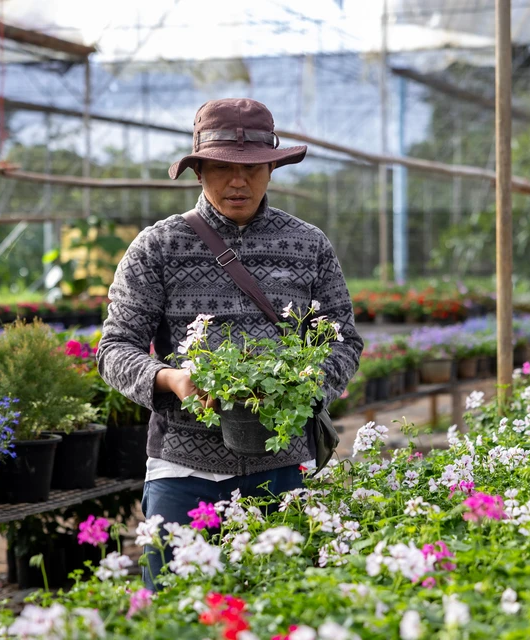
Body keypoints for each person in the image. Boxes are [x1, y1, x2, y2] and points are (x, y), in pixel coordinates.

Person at [96, 98, 363, 590]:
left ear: (271, 169)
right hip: (183, 469)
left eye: (251, 169)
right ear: (198, 171)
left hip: (282, 470)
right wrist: (171, 378)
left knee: (280, 607)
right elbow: (114, 348)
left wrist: (304, 387)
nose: (237, 182)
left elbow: (343, 339)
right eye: (221, 168)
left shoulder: (308, 245)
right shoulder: (160, 246)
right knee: (179, 612)